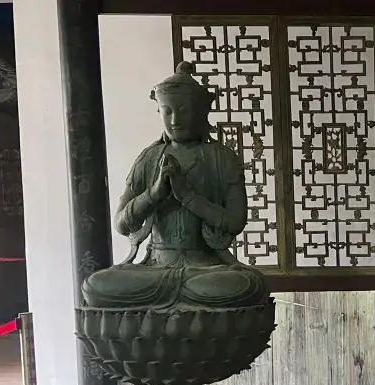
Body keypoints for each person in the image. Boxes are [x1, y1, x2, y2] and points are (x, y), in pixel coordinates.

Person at [82, 61, 266, 311]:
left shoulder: (222, 158)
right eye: (167, 112)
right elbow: (121, 223)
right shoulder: (149, 158)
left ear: (200, 113)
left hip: (205, 268)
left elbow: (235, 222)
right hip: (156, 267)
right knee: (95, 286)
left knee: (247, 285)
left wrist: (189, 197)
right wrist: (153, 195)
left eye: (183, 111)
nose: (175, 120)